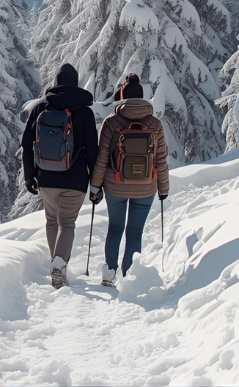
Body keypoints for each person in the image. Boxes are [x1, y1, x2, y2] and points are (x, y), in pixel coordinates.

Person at [21, 63, 98, 289]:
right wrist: (96, 182)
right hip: (75, 181)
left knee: (52, 221)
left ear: (55, 82)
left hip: (46, 177)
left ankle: (57, 264)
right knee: (67, 224)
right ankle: (59, 265)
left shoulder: (40, 108)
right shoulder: (84, 112)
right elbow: (92, 149)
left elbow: (27, 144)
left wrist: (29, 175)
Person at [89, 74, 169, 287]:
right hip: (146, 187)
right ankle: (130, 276)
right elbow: (161, 159)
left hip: (115, 185)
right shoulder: (155, 124)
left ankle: (109, 273)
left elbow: (102, 157)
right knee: (135, 231)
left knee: (115, 227)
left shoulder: (112, 123)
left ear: (122, 98)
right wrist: (163, 188)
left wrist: (95, 186)